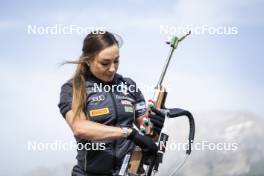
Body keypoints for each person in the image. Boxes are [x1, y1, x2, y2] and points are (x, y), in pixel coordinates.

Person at [58, 31, 165, 176]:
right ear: (87, 60)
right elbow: (79, 127)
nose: (113, 68)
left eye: (116, 61)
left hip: (129, 172)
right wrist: (127, 133)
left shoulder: (128, 85)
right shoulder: (73, 88)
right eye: (105, 63)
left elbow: (147, 133)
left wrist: (154, 125)